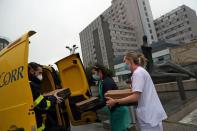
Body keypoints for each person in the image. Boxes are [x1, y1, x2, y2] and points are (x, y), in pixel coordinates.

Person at [106, 52, 167, 131]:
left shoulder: (138, 73)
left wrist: (116, 101)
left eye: (125, 61)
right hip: (150, 114)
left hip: (149, 116)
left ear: (130, 60)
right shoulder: (140, 72)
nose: (124, 64)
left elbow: (135, 97)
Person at [92, 64, 132, 131]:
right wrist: (93, 100)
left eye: (94, 73)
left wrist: (93, 107)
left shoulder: (107, 82)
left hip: (118, 110)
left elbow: (106, 100)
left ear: (99, 71)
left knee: (119, 129)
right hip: (113, 110)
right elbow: (100, 95)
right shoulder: (101, 82)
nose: (93, 75)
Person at [28, 62, 63, 131]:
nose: (41, 76)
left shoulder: (29, 84)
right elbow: (43, 105)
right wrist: (54, 99)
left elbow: (37, 100)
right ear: (32, 71)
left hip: (38, 124)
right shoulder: (32, 86)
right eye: (39, 73)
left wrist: (51, 97)